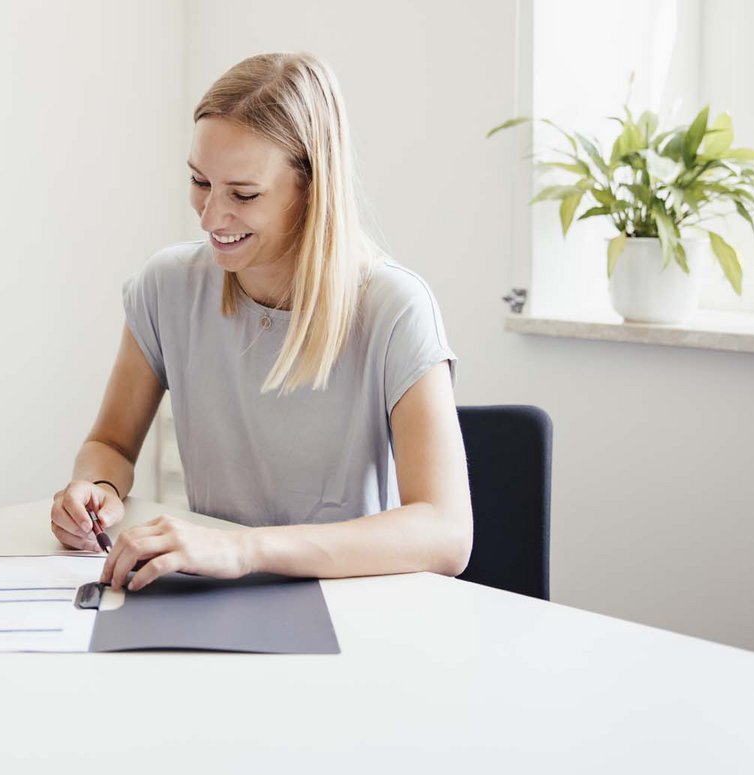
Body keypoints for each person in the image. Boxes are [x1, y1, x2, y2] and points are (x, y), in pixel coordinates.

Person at [50, 53, 471, 590]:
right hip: (212, 593)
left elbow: (446, 531)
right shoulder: (168, 285)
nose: (209, 217)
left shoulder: (395, 308)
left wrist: (245, 548)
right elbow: (110, 443)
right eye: (200, 181)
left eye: (243, 194)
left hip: (351, 601)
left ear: (310, 188)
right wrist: (97, 487)